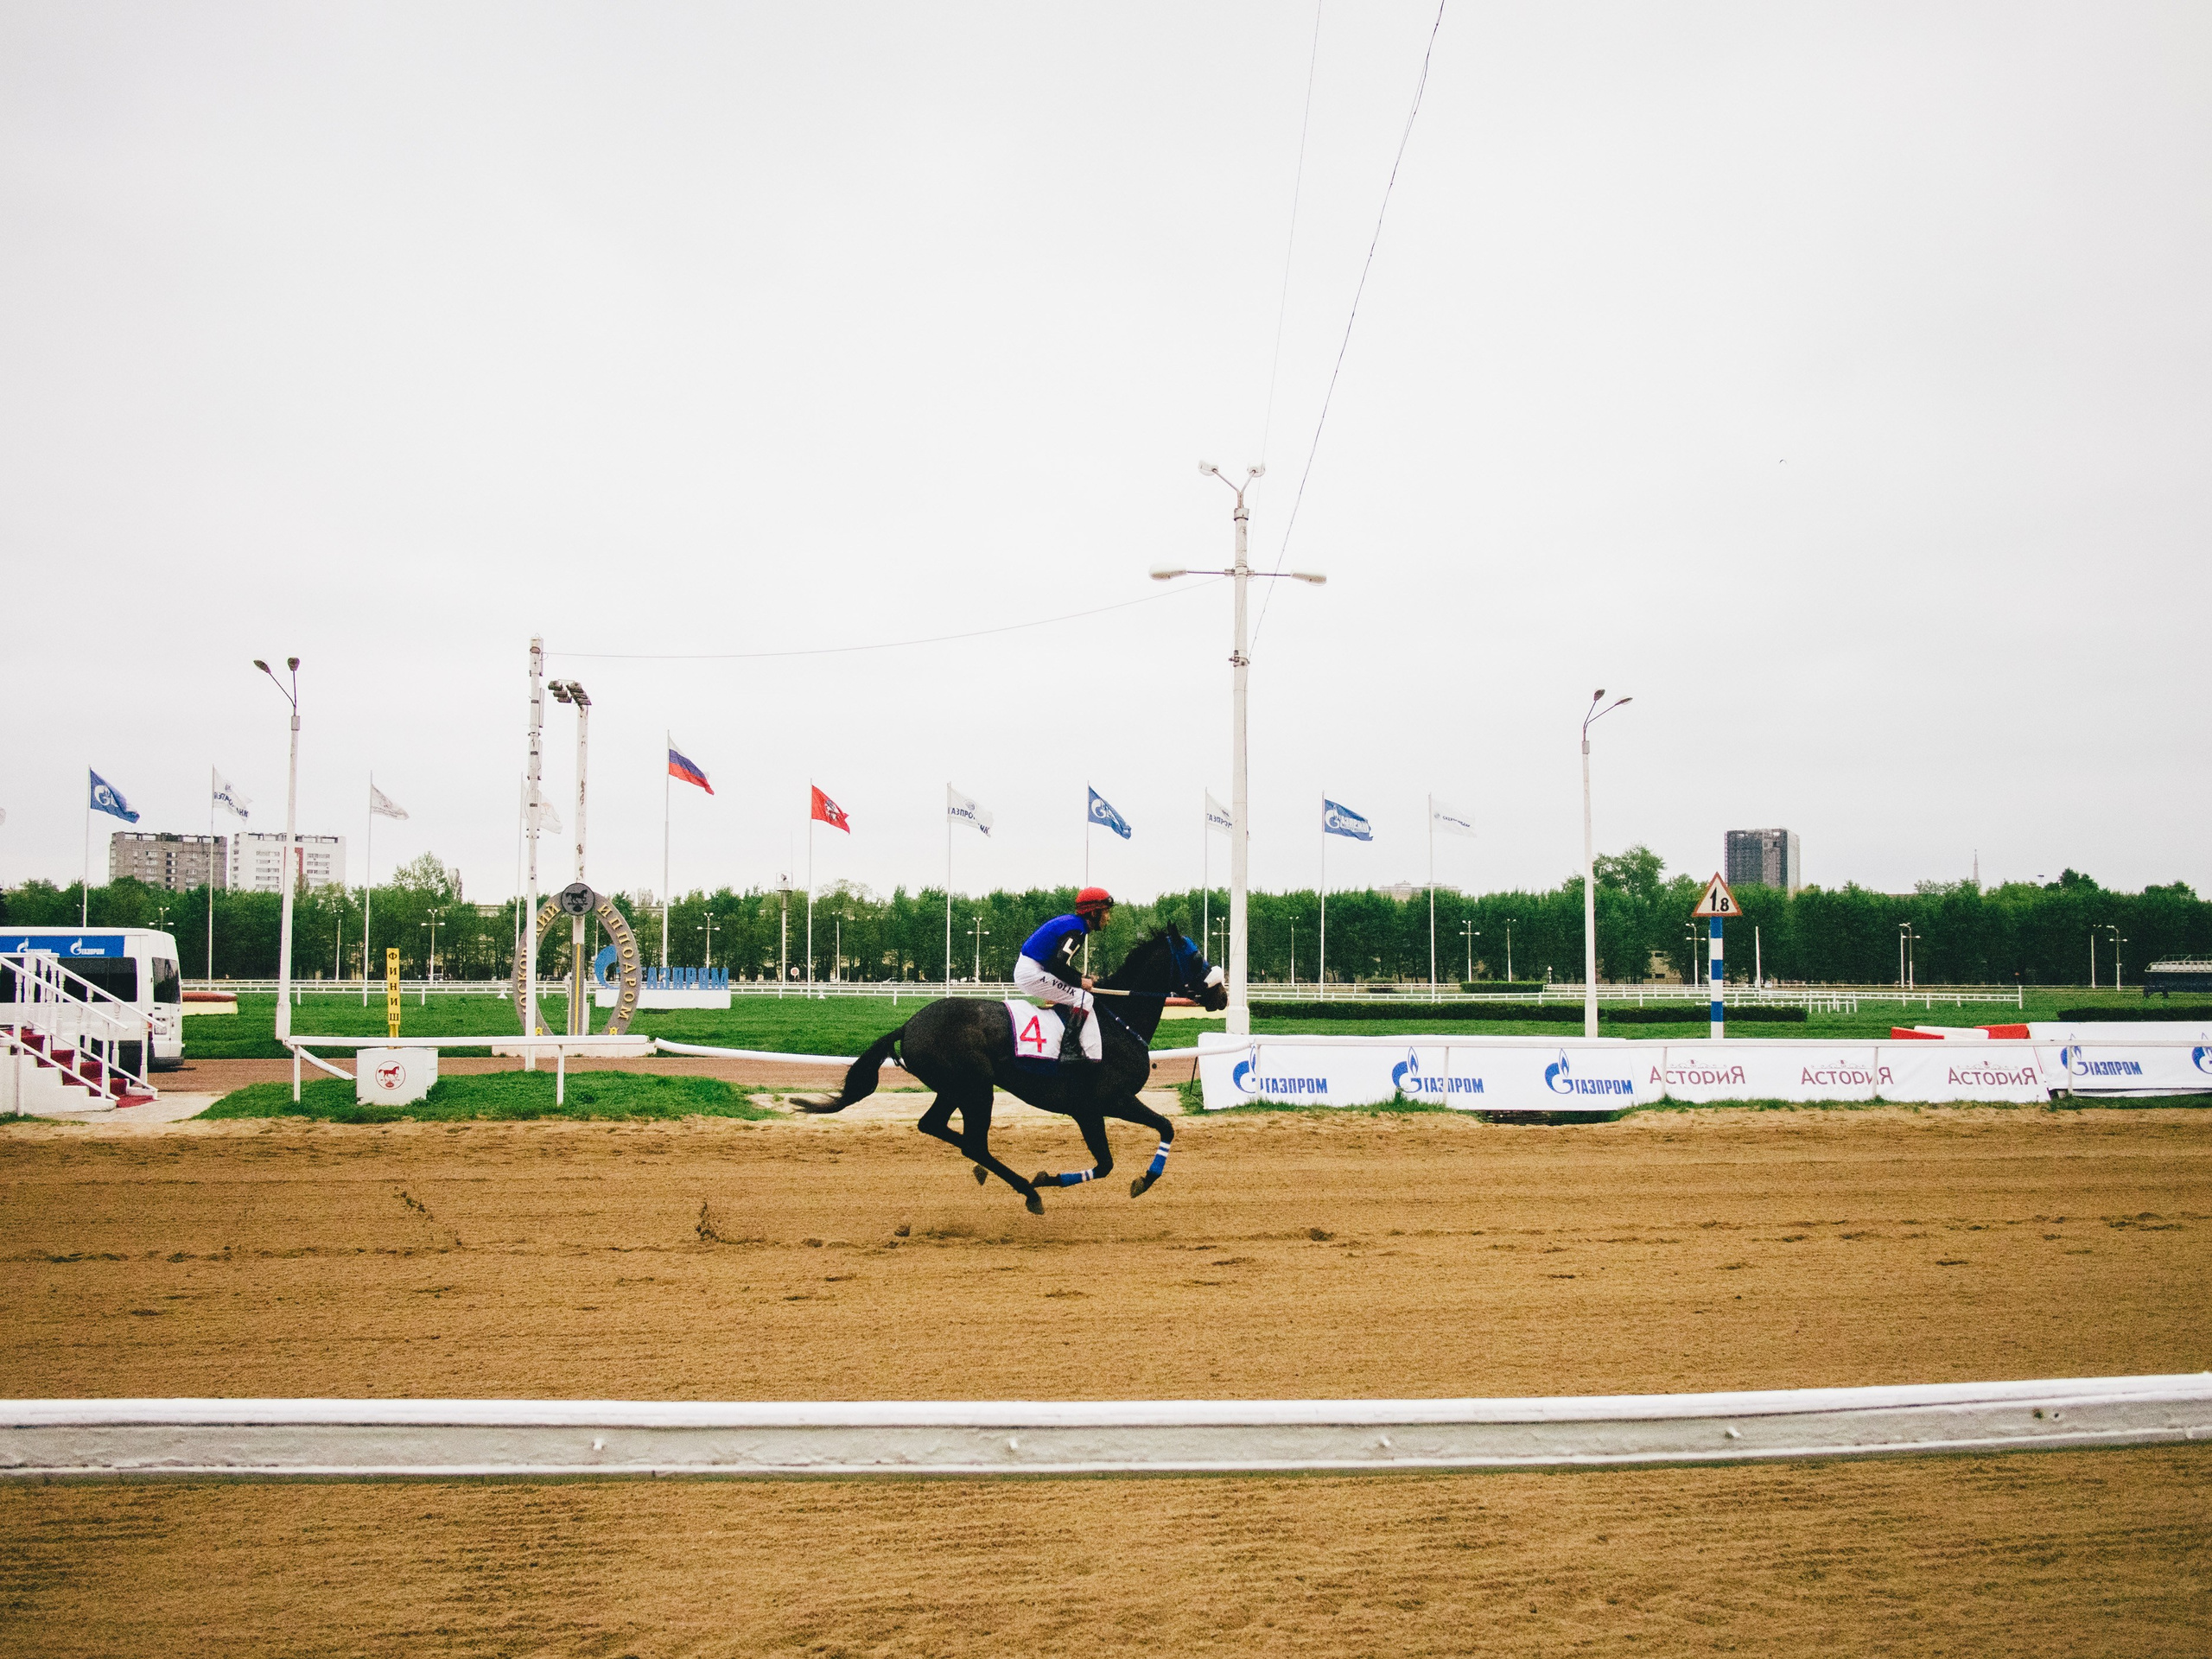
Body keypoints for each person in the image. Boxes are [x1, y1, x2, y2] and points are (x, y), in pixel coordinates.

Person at [1013, 887, 1114, 1063]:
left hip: (1034, 967)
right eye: (1105, 912)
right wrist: (1080, 981)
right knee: (1084, 999)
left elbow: (1057, 964)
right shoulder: (1076, 931)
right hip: (1032, 972)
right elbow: (1057, 965)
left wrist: (1081, 979)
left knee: (1078, 993)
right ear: (1094, 913)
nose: (1108, 918)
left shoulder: (1074, 924)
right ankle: (1069, 1049)